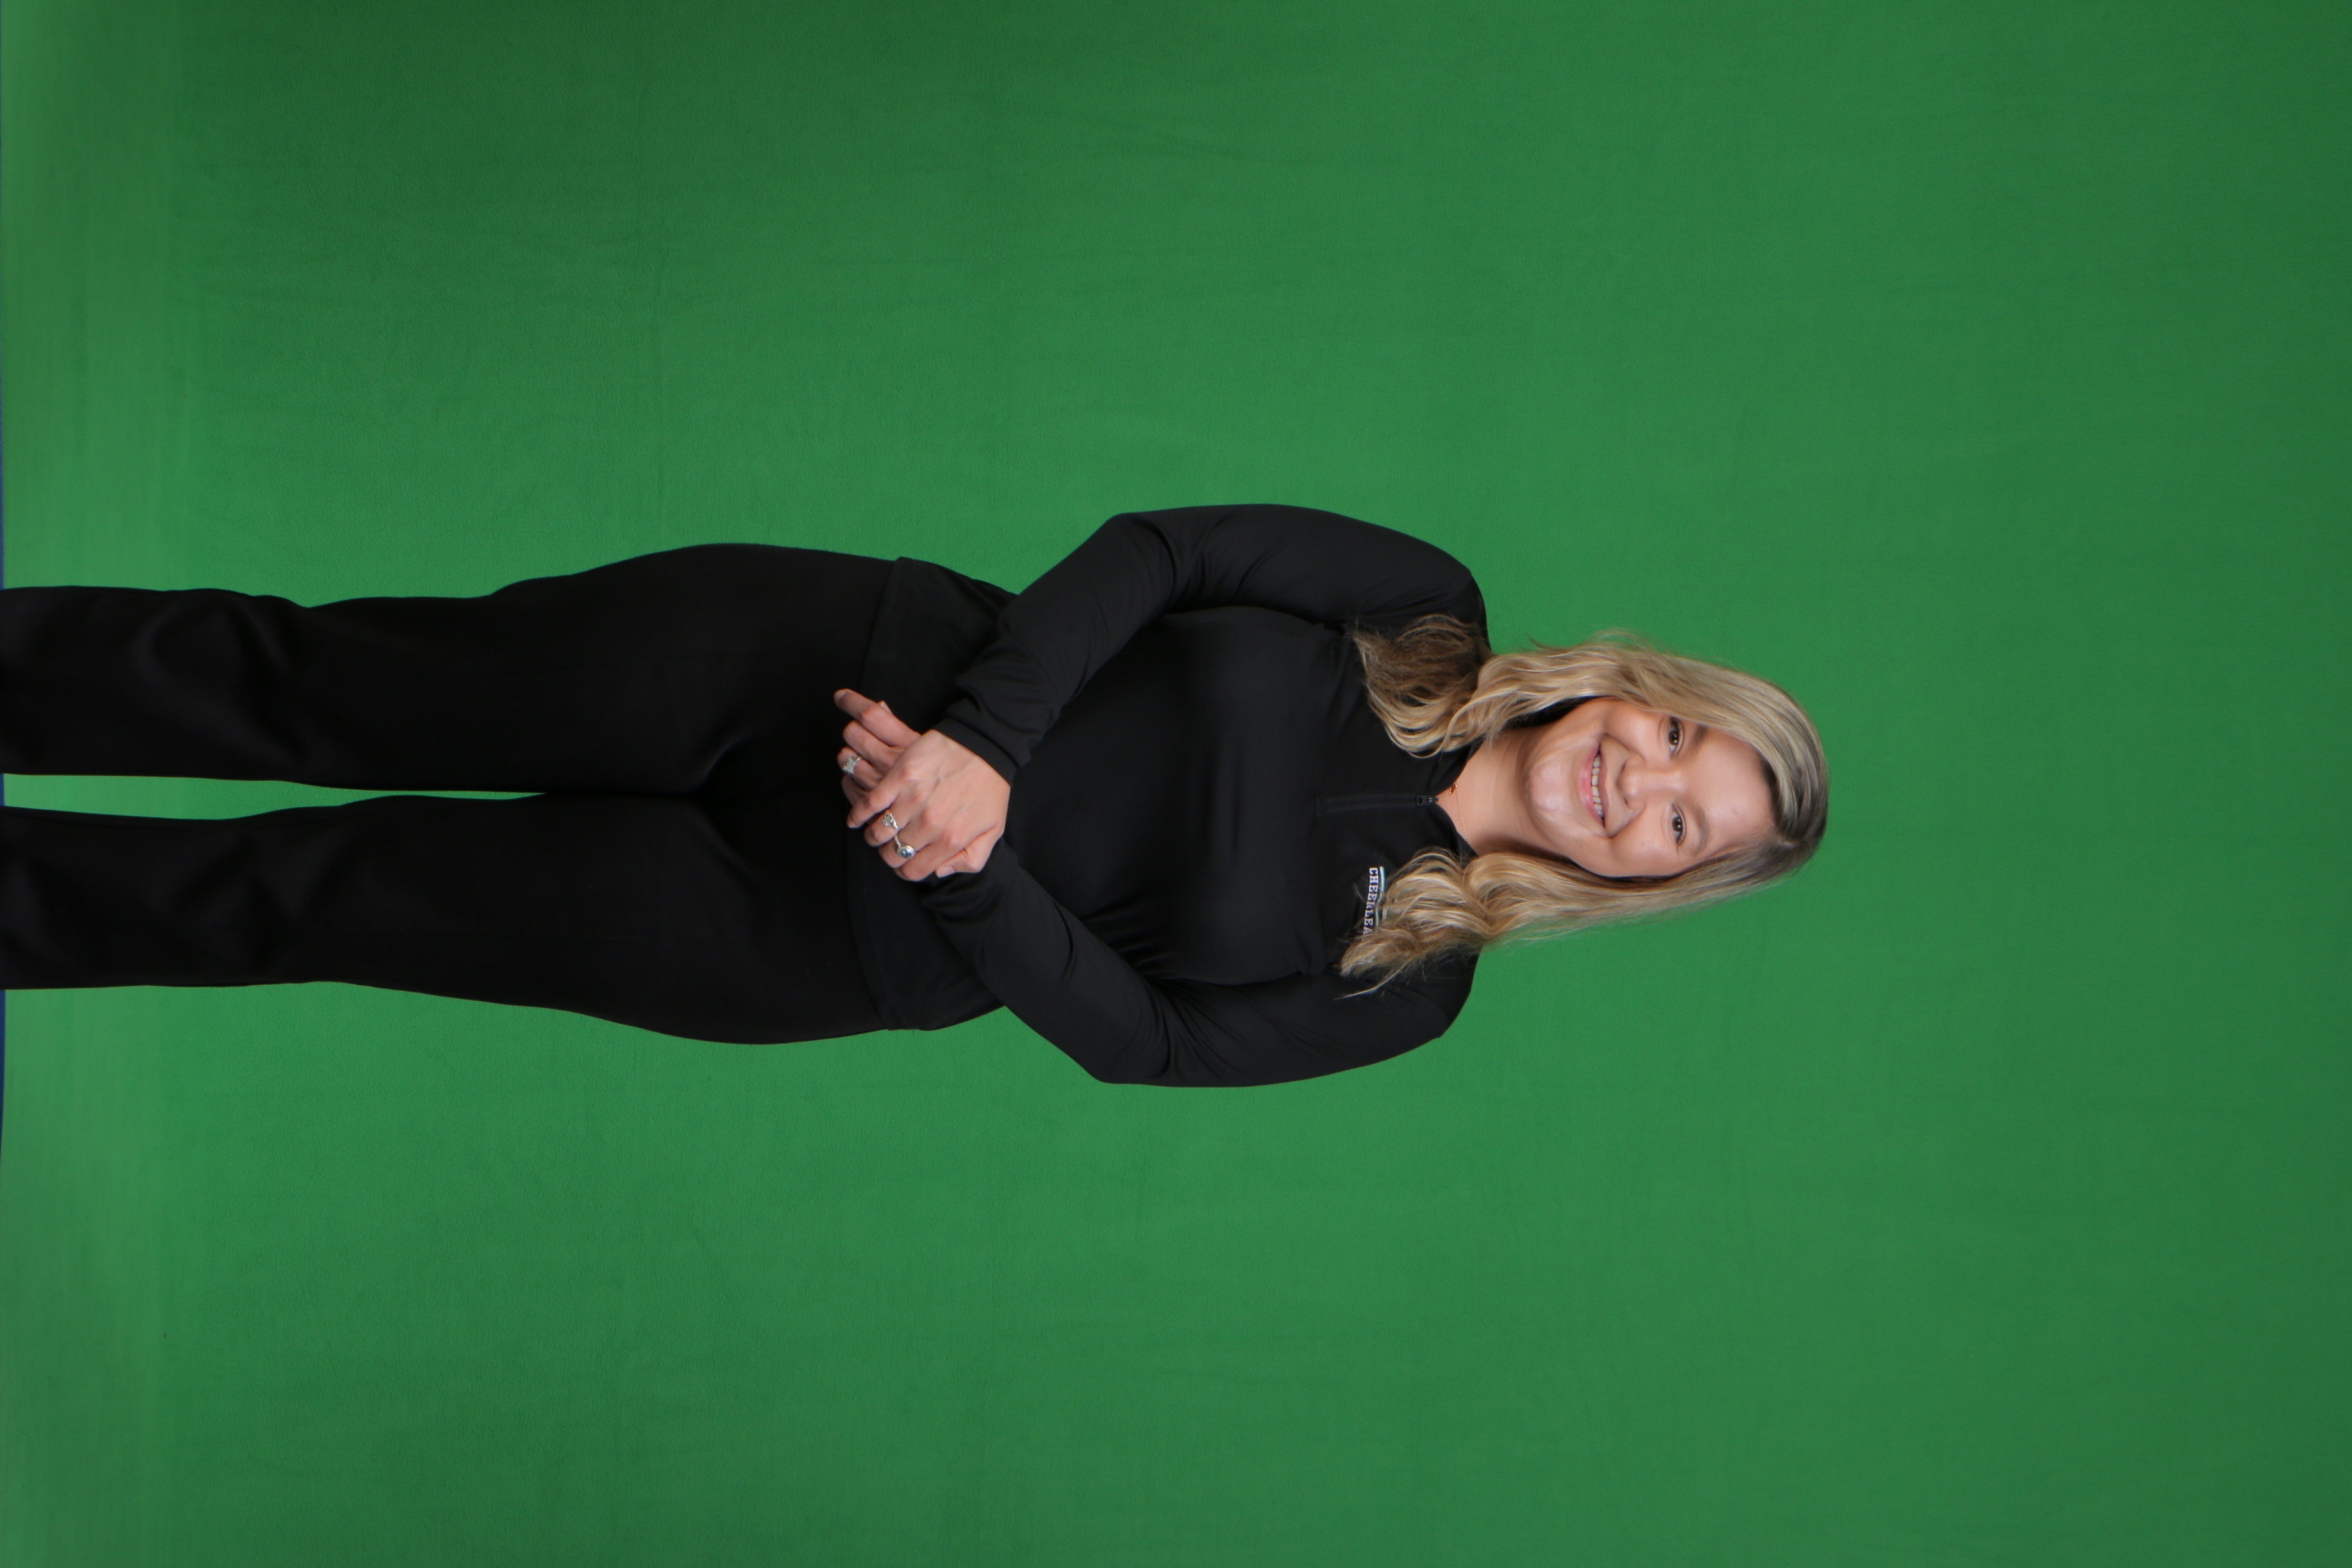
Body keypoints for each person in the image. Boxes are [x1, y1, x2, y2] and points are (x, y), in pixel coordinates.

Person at [0, 504, 1827, 1086]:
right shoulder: (1425, 607)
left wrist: (966, 865)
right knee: (323, 680)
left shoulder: (1414, 985)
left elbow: (1151, 1041)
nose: (1641, 784)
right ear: (1645, 689)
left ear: (1656, 882)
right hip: (821, 662)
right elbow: (1165, 554)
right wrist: (983, 748)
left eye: (1686, 825)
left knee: (328, 896)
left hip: (819, 935)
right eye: (1679, 737)